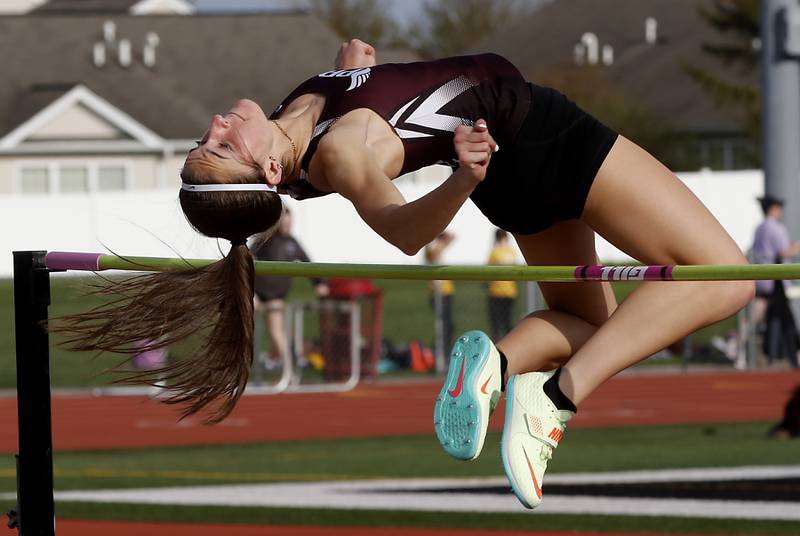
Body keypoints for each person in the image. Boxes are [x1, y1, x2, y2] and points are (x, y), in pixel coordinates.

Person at [56, 38, 754, 507]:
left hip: (508, 166)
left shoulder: (294, 120)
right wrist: (462, 178)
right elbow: (402, 230)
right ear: (269, 171)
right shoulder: (345, 154)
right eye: (219, 146)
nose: (213, 126)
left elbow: (365, 75)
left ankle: (496, 367)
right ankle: (559, 399)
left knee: (588, 322)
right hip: (539, 135)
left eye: (205, 140)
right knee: (727, 278)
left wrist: (358, 61)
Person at [250, 207, 328, 369]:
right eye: (284, 223)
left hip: (275, 297)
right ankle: (246, 360)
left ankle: (284, 368)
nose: (287, 226)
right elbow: (248, 260)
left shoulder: (292, 243)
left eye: (289, 223)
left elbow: (307, 263)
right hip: (256, 293)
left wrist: (319, 283)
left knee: (278, 334)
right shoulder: (264, 240)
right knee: (248, 315)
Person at [751, 195, 800, 368]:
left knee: (775, 319)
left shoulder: (759, 228)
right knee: (783, 320)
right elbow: (783, 252)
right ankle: (789, 358)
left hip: (762, 278)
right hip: (776, 280)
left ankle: (772, 356)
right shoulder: (776, 228)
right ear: (773, 209)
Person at [424, 231, 456, 359]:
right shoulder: (432, 249)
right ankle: (440, 354)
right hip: (438, 292)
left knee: (448, 325)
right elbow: (434, 252)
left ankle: (445, 353)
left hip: (446, 291)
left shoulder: (438, 248)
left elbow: (453, 236)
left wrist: (440, 233)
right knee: (442, 325)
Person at [486, 229, 519, 341]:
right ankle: (508, 342)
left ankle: (499, 343)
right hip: (507, 292)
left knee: (497, 323)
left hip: (498, 292)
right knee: (506, 321)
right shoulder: (511, 252)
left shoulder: (495, 252)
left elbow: (488, 269)